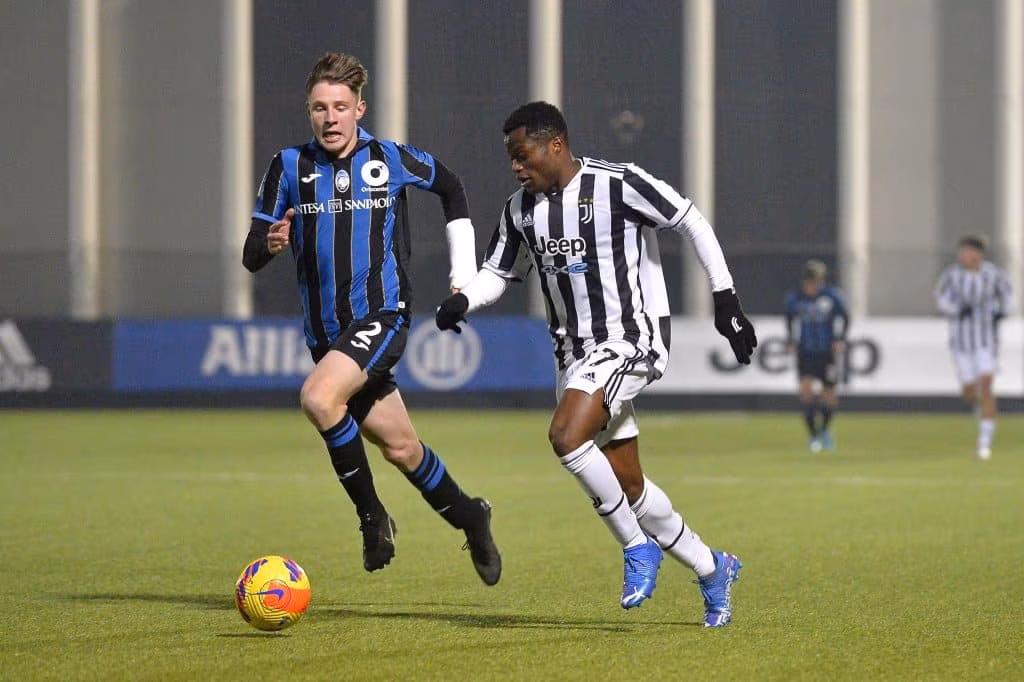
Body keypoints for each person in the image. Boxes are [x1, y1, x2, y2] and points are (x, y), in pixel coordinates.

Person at [435, 102, 756, 626]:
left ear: (555, 144)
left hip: (629, 339)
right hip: (572, 354)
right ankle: (712, 568)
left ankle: (635, 546)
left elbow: (691, 221)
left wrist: (726, 300)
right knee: (629, 485)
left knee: (566, 435)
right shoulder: (519, 210)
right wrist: (463, 300)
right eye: (511, 157)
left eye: (523, 155)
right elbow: (497, 272)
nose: (516, 167)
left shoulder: (619, 184)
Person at [242, 52, 500, 584]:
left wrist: (463, 274)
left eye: (340, 107)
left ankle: (372, 517)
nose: (330, 118)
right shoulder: (286, 166)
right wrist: (269, 243)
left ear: (360, 109)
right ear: (309, 112)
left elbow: (452, 187)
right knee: (401, 447)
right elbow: (251, 253)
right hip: (326, 336)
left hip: (383, 315)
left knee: (319, 398)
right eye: (320, 108)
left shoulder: (389, 158)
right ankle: (471, 516)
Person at [934, 235, 1014, 460]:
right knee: (970, 391)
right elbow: (940, 299)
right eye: (962, 252)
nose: (963, 256)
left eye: (967, 251)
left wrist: (1003, 312)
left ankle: (984, 444)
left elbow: (1009, 297)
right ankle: (984, 410)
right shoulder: (952, 276)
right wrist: (955, 310)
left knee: (986, 385)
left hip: (986, 341)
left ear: (978, 254)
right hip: (961, 343)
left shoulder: (994, 275)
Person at [784, 260, 850, 452]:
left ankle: (824, 431)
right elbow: (789, 318)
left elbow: (845, 317)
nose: (814, 285)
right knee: (806, 391)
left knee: (829, 394)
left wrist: (840, 338)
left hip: (827, 353)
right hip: (806, 352)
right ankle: (813, 437)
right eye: (811, 280)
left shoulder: (831, 296)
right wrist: (791, 340)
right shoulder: (796, 297)